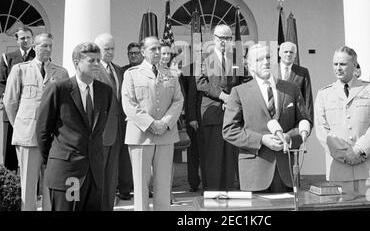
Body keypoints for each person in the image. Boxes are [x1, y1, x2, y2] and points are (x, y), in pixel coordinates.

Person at [223, 43, 311, 192]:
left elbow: (304, 121)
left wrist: (288, 137)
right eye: (259, 59)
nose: (266, 62)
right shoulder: (239, 92)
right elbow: (229, 131)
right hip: (254, 172)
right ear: (249, 66)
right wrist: (262, 140)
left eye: (268, 57)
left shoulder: (291, 89)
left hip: (286, 171)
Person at [36, 42, 113, 211]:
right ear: (77, 62)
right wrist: (58, 159)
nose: (96, 65)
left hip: (94, 174)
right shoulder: (59, 89)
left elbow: (97, 131)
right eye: (91, 61)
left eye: (98, 61)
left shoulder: (105, 91)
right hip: (68, 172)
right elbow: (43, 130)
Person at [3, 33, 68, 210]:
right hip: (28, 137)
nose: (47, 49)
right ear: (35, 46)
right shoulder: (20, 70)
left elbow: (65, 105)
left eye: (50, 46)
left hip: (54, 139)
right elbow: (10, 102)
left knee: (51, 184)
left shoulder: (61, 73)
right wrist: (20, 127)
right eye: (44, 45)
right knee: (28, 185)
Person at [315, 46, 370, 199]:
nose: (338, 68)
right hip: (340, 169)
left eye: (343, 64)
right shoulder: (324, 94)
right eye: (335, 64)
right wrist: (344, 154)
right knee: (341, 208)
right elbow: (322, 130)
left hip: (369, 167)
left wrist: (358, 150)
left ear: (354, 64)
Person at [122, 37, 184, 211]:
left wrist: (165, 122)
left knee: (163, 183)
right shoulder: (131, 74)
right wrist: (151, 124)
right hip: (141, 136)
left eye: (159, 48)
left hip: (165, 135)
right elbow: (129, 105)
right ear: (143, 52)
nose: (157, 52)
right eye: (152, 49)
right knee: (141, 184)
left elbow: (178, 100)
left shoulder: (171, 74)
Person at [196, 24, 246, 191]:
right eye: (221, 38)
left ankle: (227, 192)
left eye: (228, 38)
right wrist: (222, 96)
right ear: (214, 39)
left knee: (230, 157)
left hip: (233, 114)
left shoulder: (237, 60)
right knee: (213, 157)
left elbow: (244, 82)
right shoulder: (203, 58)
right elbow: (201, 83)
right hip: (212, 113)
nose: (225, 41)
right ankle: (212, 194)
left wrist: (235, 100)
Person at [94, 33, 131, 208]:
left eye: (112, 49)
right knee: (99, 173)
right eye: (106, 49)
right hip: (100, 131)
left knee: (112, 173)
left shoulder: (118, 70)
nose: (110, 52)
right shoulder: (93, 70)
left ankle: (109, 206)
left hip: (118, 129)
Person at [0, 26, 35, 171]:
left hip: (31, 111)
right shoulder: (7, 58)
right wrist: (3, 98)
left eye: (28, 37)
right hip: (12, 111)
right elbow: (1, 82)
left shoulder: (38, 58)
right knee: (9, 149)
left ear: (32, 39)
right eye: (22, 38)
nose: (25, 40)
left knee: (32, 149)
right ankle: (11, 185)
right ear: (17, 40)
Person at [278, 41, 314, 120]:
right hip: (276, 119)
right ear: (279, 53)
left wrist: (308, 122)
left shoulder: (303, 72)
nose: (288, 54)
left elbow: (308, 99)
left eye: (291, 52)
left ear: (295, 55)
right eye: (286, 52)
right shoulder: (271, 71)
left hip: (296, 119)